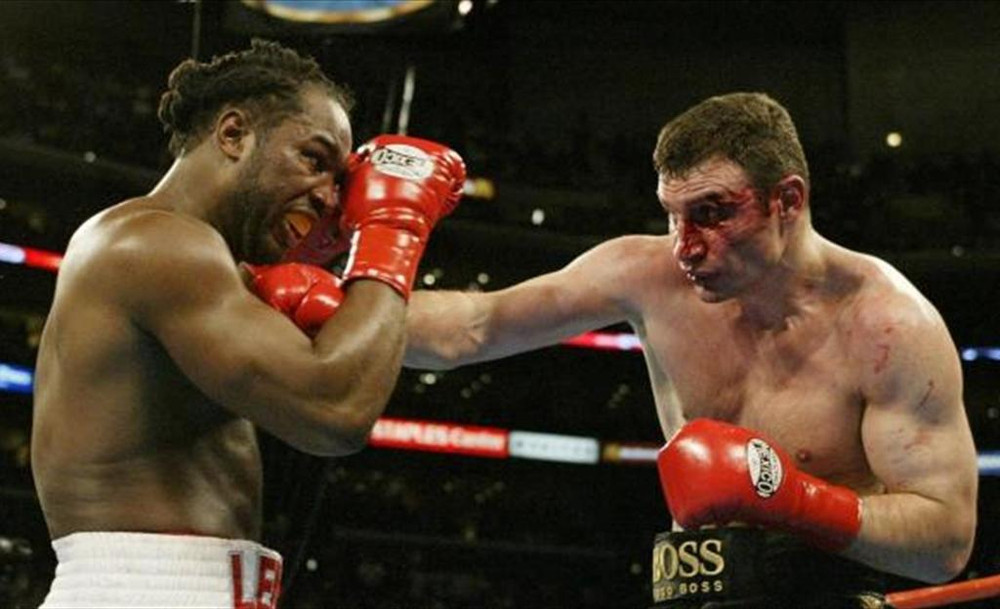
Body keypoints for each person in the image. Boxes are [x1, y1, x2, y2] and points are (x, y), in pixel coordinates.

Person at [405, 92, 978, 607]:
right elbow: (475, 326)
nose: (684, 247)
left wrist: (793, 500)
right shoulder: (646, 275)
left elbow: (945, 541)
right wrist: (356, 285)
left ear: (787, 200)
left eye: (710, 213)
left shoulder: (887, 327)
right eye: (672, 216)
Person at [31, 39, 465, 608]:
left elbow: (471, 326)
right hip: (145, 590)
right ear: (234, 134)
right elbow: (334, 411)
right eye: (314, 160)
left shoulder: (216, 272)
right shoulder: (157, 243)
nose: (329, 198)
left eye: (340, 183)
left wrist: (586, 286)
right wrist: (392, 229)